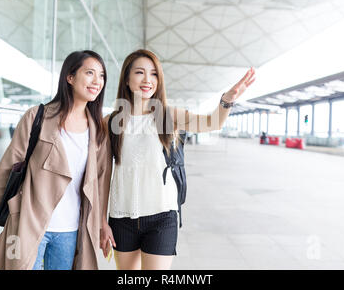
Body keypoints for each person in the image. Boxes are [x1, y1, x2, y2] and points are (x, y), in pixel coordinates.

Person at [99, 49, 255, 270]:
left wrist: (226, 102)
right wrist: (102, 221)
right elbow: (104, 175)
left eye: (153, 74)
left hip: (161, 217)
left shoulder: (169, 116)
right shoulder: (111, 122)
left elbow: (212, 123)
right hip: (122, 217)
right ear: (126, 78)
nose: (147, 80)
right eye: (140, 72)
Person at [0, 50, 112, 270]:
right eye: (90, 73)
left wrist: (103, 223)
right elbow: (6, 170)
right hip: (26, 226)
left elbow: (101, 183)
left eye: (102, 75)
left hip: (70, 232)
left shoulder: (98, 131)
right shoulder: (36, 117)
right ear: (70, 77)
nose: (97, 81)